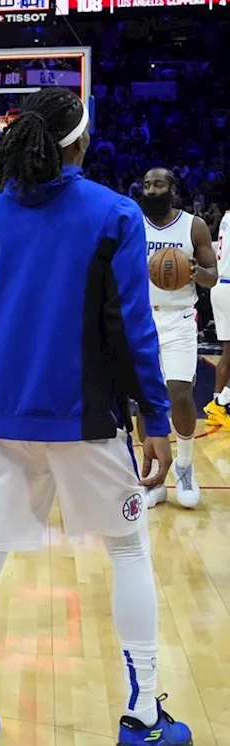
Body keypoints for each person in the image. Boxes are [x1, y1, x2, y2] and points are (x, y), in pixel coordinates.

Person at [0, 88, 190, 746]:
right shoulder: (115, 213)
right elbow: (131, 330)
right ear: (80, 142)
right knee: (128, 551)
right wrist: (155, 420)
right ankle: (142, 715)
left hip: (0, 420)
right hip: (86, 420)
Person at [134, 167, 215, 509]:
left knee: (180, 393)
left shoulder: (192, 225)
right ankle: (153, 477)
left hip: (180, 318)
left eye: (159, 184)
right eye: (147, 185)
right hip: (142, 317)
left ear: (172, 189)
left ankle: (183, 465)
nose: (152, 190)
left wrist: (196, 272)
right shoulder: (134, 224)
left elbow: (212, 277)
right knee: (143, 399)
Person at [208, 210, 230, 427]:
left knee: (228, 350)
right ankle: (219, 402)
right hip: (228, 285)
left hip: (221, 285)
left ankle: (220, 400)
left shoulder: (226, 217)